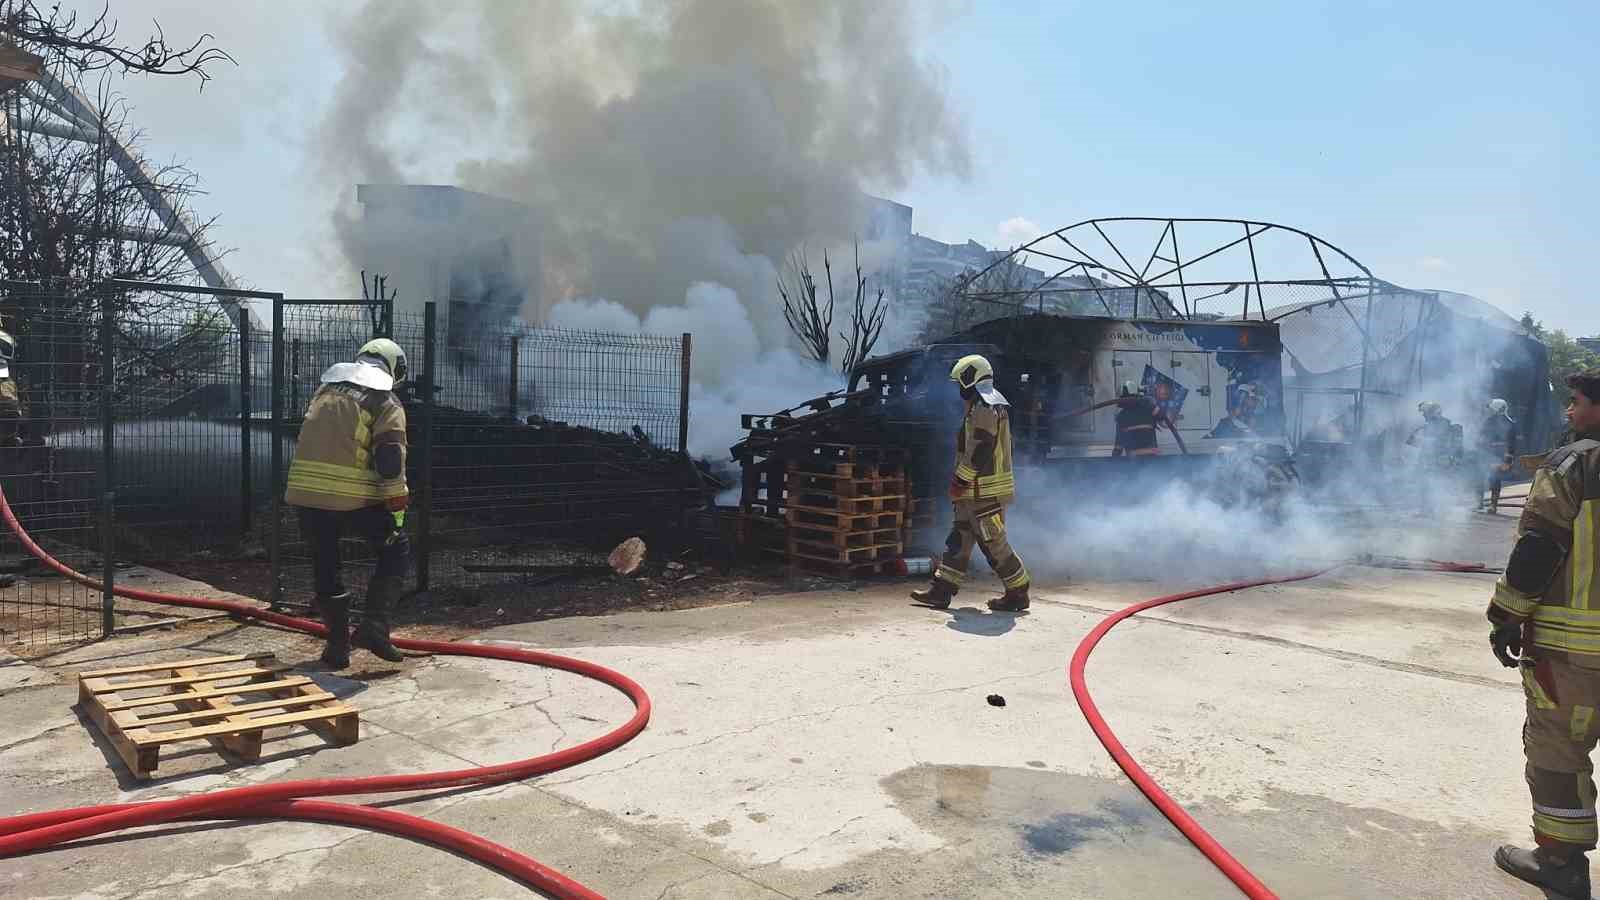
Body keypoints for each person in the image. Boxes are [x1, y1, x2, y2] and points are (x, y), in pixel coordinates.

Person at [1487, 368, 1600, 898]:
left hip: (1577, 652)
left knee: (1558, 753)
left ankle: (1560, 863)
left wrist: (1506, 614)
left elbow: (1540, 547)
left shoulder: (1576, 464)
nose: (1570, 411)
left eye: (1577, 401)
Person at [283, 338, 411, 668]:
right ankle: (374, 627)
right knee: (395, 549)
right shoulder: (385, 399)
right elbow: (389, 459)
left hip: (305, 492)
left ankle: (337, 646)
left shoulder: (325, 389)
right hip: (353, 496)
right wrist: (396, 498)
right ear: (394, 367)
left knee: (326, 563)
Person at [910, 354, 1032, 613]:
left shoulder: (986, 407)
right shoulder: (981, 406)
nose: (959, 390)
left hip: (984, 492)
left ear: (971, 380)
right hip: (973, 492)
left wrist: (960, 479)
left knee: (993, 544)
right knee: (959, 539)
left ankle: (1018, 591)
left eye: (960, 383)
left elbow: (981, 448)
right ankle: (941, 590)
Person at [1479, 398, 1519, 514]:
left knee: (1495, 479)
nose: (1490, 411)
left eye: (1492, 409)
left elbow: (1512, 444)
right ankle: (1479, 502)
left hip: (1499, 456)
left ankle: (1493, 505)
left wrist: (1507, 461)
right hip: (1486, 454)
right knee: (1479, 476)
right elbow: (1482, 437)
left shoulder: (1510, 424)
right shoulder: (1488, 421)